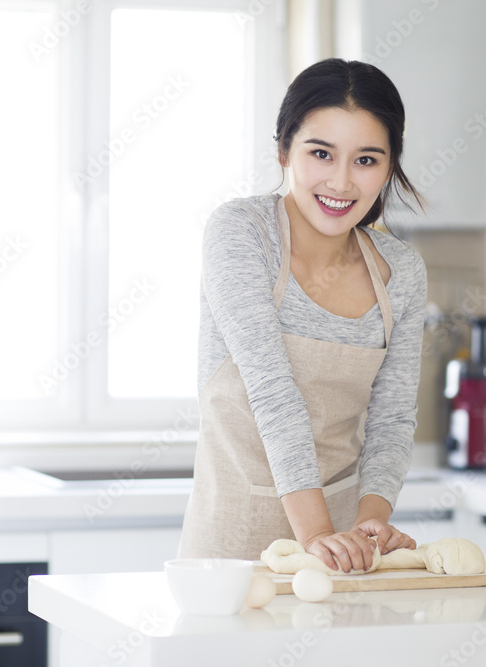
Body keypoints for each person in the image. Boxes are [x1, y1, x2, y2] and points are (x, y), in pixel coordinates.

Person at [178, 58, 427, 574]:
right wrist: (315, 536)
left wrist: (371, 522)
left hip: (344, 557)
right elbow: (272, 392)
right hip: (231, 552)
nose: (341, 182)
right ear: (283, 150)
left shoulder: (400, 270)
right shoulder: (242, 234)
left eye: (366, 160)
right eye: (321, 153)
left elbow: (393, 417)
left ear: (389, 166)